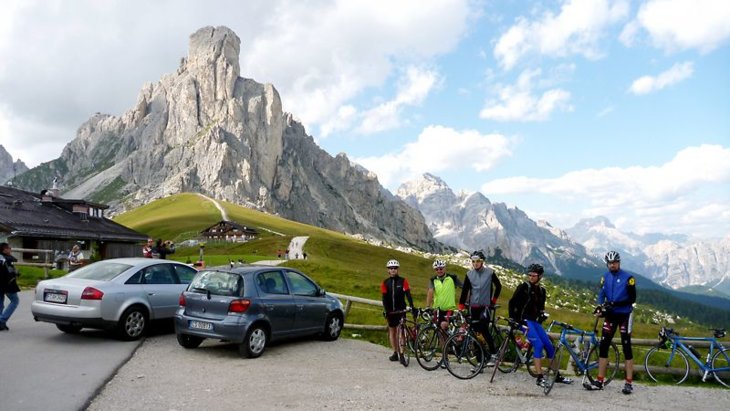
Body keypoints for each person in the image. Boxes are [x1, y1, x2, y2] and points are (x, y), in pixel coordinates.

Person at [509, 264, 572, 387]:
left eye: (534, 275)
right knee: (538, 345)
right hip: (524, 321)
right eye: (529, 275)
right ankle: (539, 377)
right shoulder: (523, 287)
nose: (531, 277)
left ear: (540, 276)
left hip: (535, 322)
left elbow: (541, 308)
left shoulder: (542, 291)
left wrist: (542, 314)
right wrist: (513, 319)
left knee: (549, 346)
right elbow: (512, 303)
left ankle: (557, 376)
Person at [584, 251, 637, 395]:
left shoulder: (628, 278)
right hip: (611, 315)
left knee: (627, 348)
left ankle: (628, 383)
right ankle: (600, 381)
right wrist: (600, 306)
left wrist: (615, 303)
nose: (612, 265)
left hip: (625, 315)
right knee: (603, 346)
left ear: (619, 263)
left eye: (614, 262)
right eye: (610, 263)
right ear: (607, 264)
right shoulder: (605, 277)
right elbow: (602, 294)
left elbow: (632, 298)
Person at [459, 250, 502, 366]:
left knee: (484, 330)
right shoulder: (469, 274)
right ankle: (479, 361)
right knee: (475, 333)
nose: (475, 263)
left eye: (478, 261)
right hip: (473, 307)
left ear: (482, 262)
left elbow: (498, 286)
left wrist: (493, 301)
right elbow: (465, 290)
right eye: (473, 261)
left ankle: (493, 354)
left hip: (485, 307)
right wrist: (461, 306)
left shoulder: (490, 273)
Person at [381, 259, 415, 366]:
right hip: (391, 312)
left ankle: (402, 353)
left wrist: (412, 306)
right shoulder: (385, 283)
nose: (393, 270)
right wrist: (386, 310)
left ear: (397, 269)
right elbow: (384, 298)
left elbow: (408, 294)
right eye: (391, 268)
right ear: (388, 270)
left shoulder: (403, 281)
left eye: (395, 268)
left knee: (401, 332)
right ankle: (395, 352)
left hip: (401, 310)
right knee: (392, 331)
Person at [426, 259, 462, 332]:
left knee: (443, 325)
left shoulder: (452, 278)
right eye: (437, 269)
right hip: (437, 309)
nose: (439, 271)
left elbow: (464, 288)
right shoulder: (433, 280)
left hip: (449, 309)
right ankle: (445, 339)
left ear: (445, 268)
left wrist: (466, 301)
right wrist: (428, 306)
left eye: (441, 269)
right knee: (438, 330)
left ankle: (450, 338)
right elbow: (430, 292)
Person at [0, 243, 20, 331]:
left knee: (0, 304)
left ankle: (1, 324)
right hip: (7, 283)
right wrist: (16, 273)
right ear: (4, 249)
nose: (10, 249)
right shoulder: (7, 259)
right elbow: (10, 271)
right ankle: (1, 320)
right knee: (15, 301)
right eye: (9, 248)